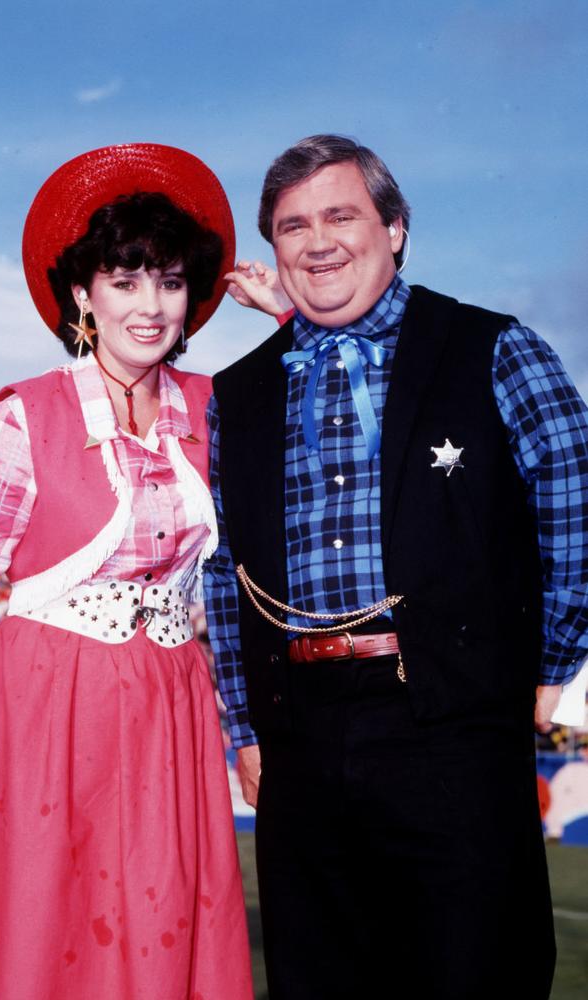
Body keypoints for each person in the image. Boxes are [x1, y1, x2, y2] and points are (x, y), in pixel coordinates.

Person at [203, 134, 588, 1000]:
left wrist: (551, 664)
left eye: (342, 214)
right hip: (298, 741)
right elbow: (224, 570)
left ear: (397, 229)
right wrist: (244, 723)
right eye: (292, 225)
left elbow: (576, 492)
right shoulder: (241, 392)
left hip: (450, 725)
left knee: (475, 971)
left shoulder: (493, 347)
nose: (317, 241)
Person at [0, 144, 253, 1000]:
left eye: (172, 282)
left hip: (169, 708)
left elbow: (311, 411)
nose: (150, 307)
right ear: (83, 295)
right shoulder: (27, 416)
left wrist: (288, 313)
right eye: (124, 281)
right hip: (39, 713)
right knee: (42, 929)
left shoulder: (212, 409)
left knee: (154, 926)